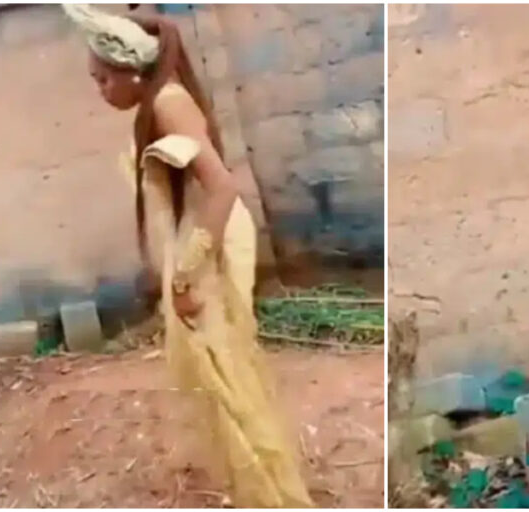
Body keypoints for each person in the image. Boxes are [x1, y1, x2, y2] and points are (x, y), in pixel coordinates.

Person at [62, 5, 312, 507]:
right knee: (222, 372)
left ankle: (276, 496)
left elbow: (222, 187)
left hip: (209, 240)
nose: (101, 91)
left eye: (102, 80)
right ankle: (259, 490)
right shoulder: (158, 102)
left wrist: (188, 278)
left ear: (130, 69)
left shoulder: (166, 105)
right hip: (200, 236)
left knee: (227, 377)